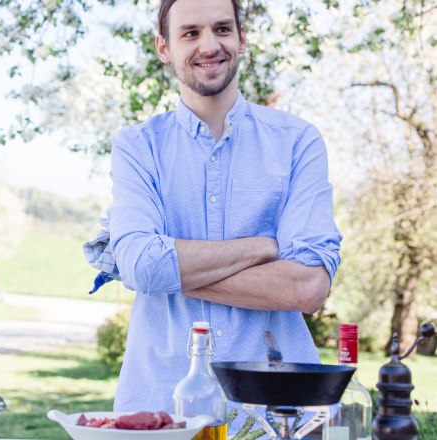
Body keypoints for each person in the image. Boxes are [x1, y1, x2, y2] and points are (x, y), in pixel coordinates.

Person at [105, 0, 342, 414]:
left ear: (242, 38)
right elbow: (141, 265)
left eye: (222, 29)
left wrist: (160, 269)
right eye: (190, 33)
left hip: (276, 413)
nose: (209, 45)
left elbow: (307, 287)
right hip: (160, 410)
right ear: (164, 48)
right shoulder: (138, 147)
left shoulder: (297, 142)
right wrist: (264, 247)